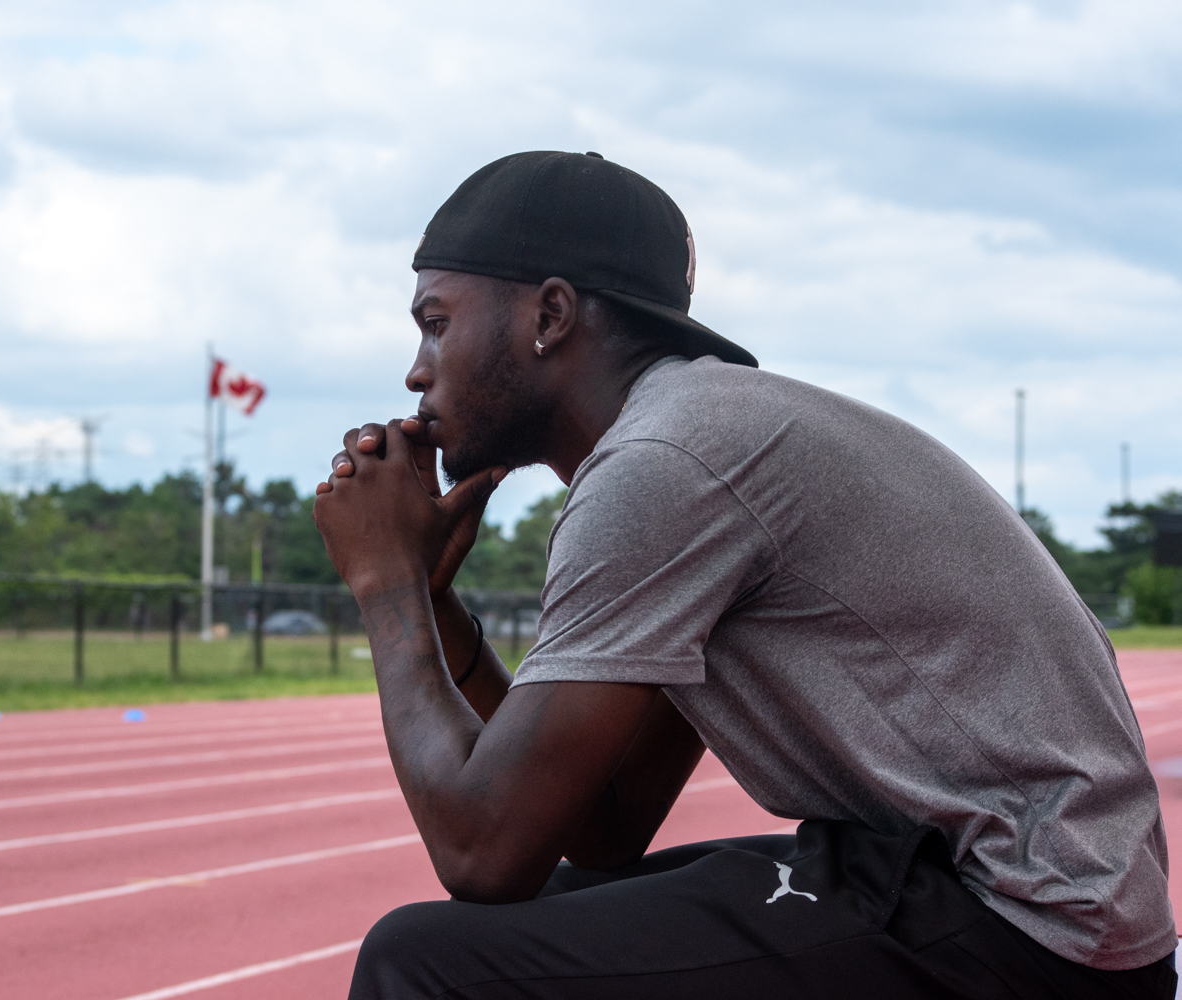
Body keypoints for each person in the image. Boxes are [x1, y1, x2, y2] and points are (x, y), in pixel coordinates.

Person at [311, 150, 1176, 998]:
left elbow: (481, 852)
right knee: (527, 918)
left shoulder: (660, 466)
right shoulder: (700, 437)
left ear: (549, 317)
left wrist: (387, 587)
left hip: (1029, 927)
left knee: (420, 960)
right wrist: (435, 600)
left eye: (436, 323)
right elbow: (604, 823)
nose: (417, 370)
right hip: (1010, 894)